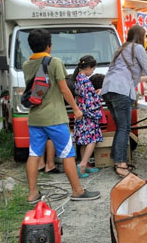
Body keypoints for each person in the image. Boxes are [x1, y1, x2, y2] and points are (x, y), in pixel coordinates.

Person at [22, 29, 99, 203]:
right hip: (55, 117)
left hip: (35, 118)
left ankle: (32, 193)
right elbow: (64, 89)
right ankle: (78, 191)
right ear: (49, 45)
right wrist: (76, 109)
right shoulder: (54, 62)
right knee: (67, 153)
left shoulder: (27, 65)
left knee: (34, 153)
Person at [101, 25, 147, 177]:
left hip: (108, 89)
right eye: (145, 36)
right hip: (120, 91)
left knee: (121, 126)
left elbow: (137, 75)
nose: (146, 39)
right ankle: (121, 164)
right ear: (141, 36)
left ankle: (117, 161)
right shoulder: (137, 48)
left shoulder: (120, 49)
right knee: (124, 128)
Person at [71, 55, 103, 178]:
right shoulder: (85, 80)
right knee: (92, 139)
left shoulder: (78, 78)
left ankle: (85, 164)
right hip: (88, 115)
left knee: (84, 140)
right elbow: (91, 101)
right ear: (88, 67)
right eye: (93, 68)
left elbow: (84, 97)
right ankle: (83, 165)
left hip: (81, 114)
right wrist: (98, 95)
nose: (93, 71)